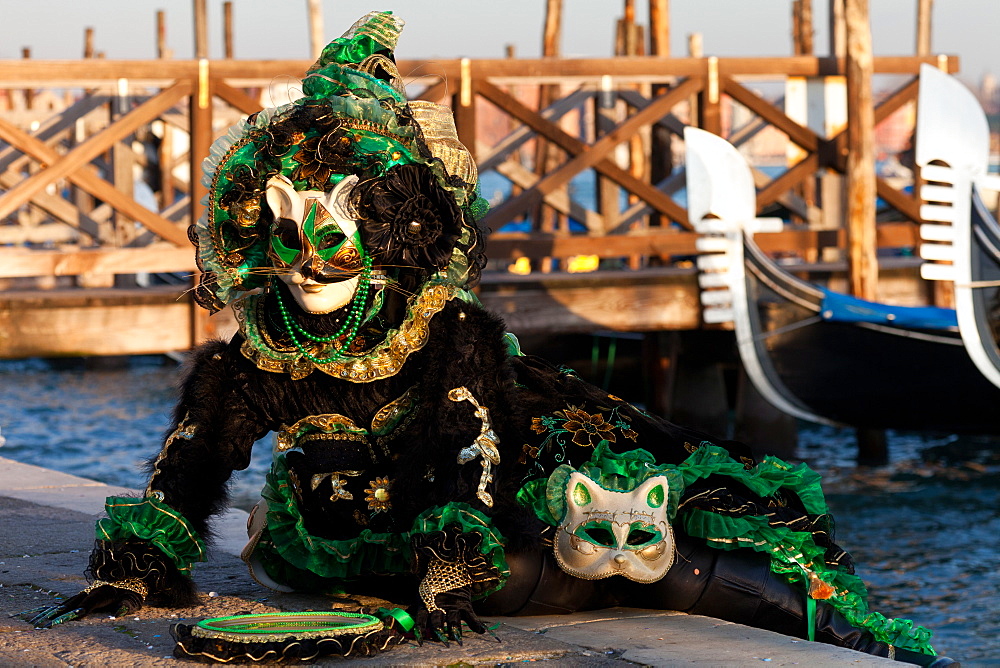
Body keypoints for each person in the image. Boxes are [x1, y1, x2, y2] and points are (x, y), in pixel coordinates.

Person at [27, 12, 952, 666]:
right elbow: (190, 462)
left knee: (650, 525)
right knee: (568, 565)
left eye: (335, 237)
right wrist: (138, 570)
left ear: (393, 234)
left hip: (503, 477)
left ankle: (844, 637)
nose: (307, 268)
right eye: (288, 236)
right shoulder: (255, 357)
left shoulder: (447, 339)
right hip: (347, 532)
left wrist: (449, 550)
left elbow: (468, 448)